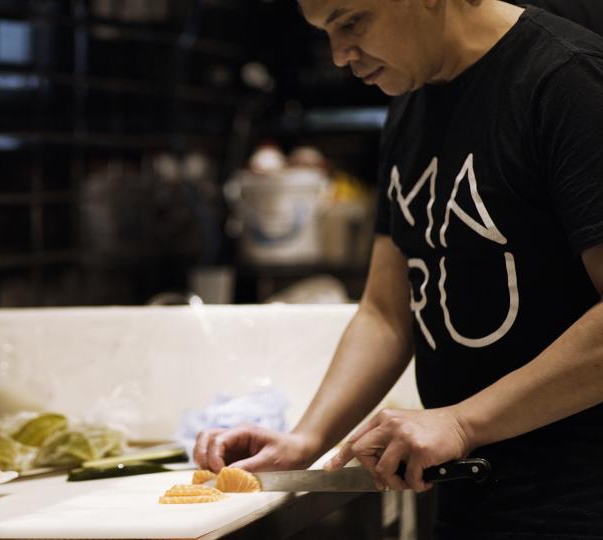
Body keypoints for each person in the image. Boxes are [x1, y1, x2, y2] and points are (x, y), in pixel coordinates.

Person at [194, 0, 603, 536]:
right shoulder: (411, 99)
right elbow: (387, 312)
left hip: (579, 504)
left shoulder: (569, 82)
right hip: (469, 499)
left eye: (351, 21)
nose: (339, 55)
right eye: (325, 32)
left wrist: (462, 420)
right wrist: (306, 439)